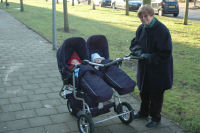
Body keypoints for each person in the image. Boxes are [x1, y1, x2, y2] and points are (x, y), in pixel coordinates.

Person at [130, 5, 173, 128]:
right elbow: (135, 42)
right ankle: (143, 113)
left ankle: (155, 117)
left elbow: (165, 52)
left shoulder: (162, 30)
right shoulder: (141, 28)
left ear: (152, 15)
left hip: (159, 69)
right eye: (141, 17)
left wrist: (148, 56)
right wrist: (137, 50)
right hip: (144, 68)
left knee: (156, 94)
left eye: (146, 16)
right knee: (144, 91)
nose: (143, 19)